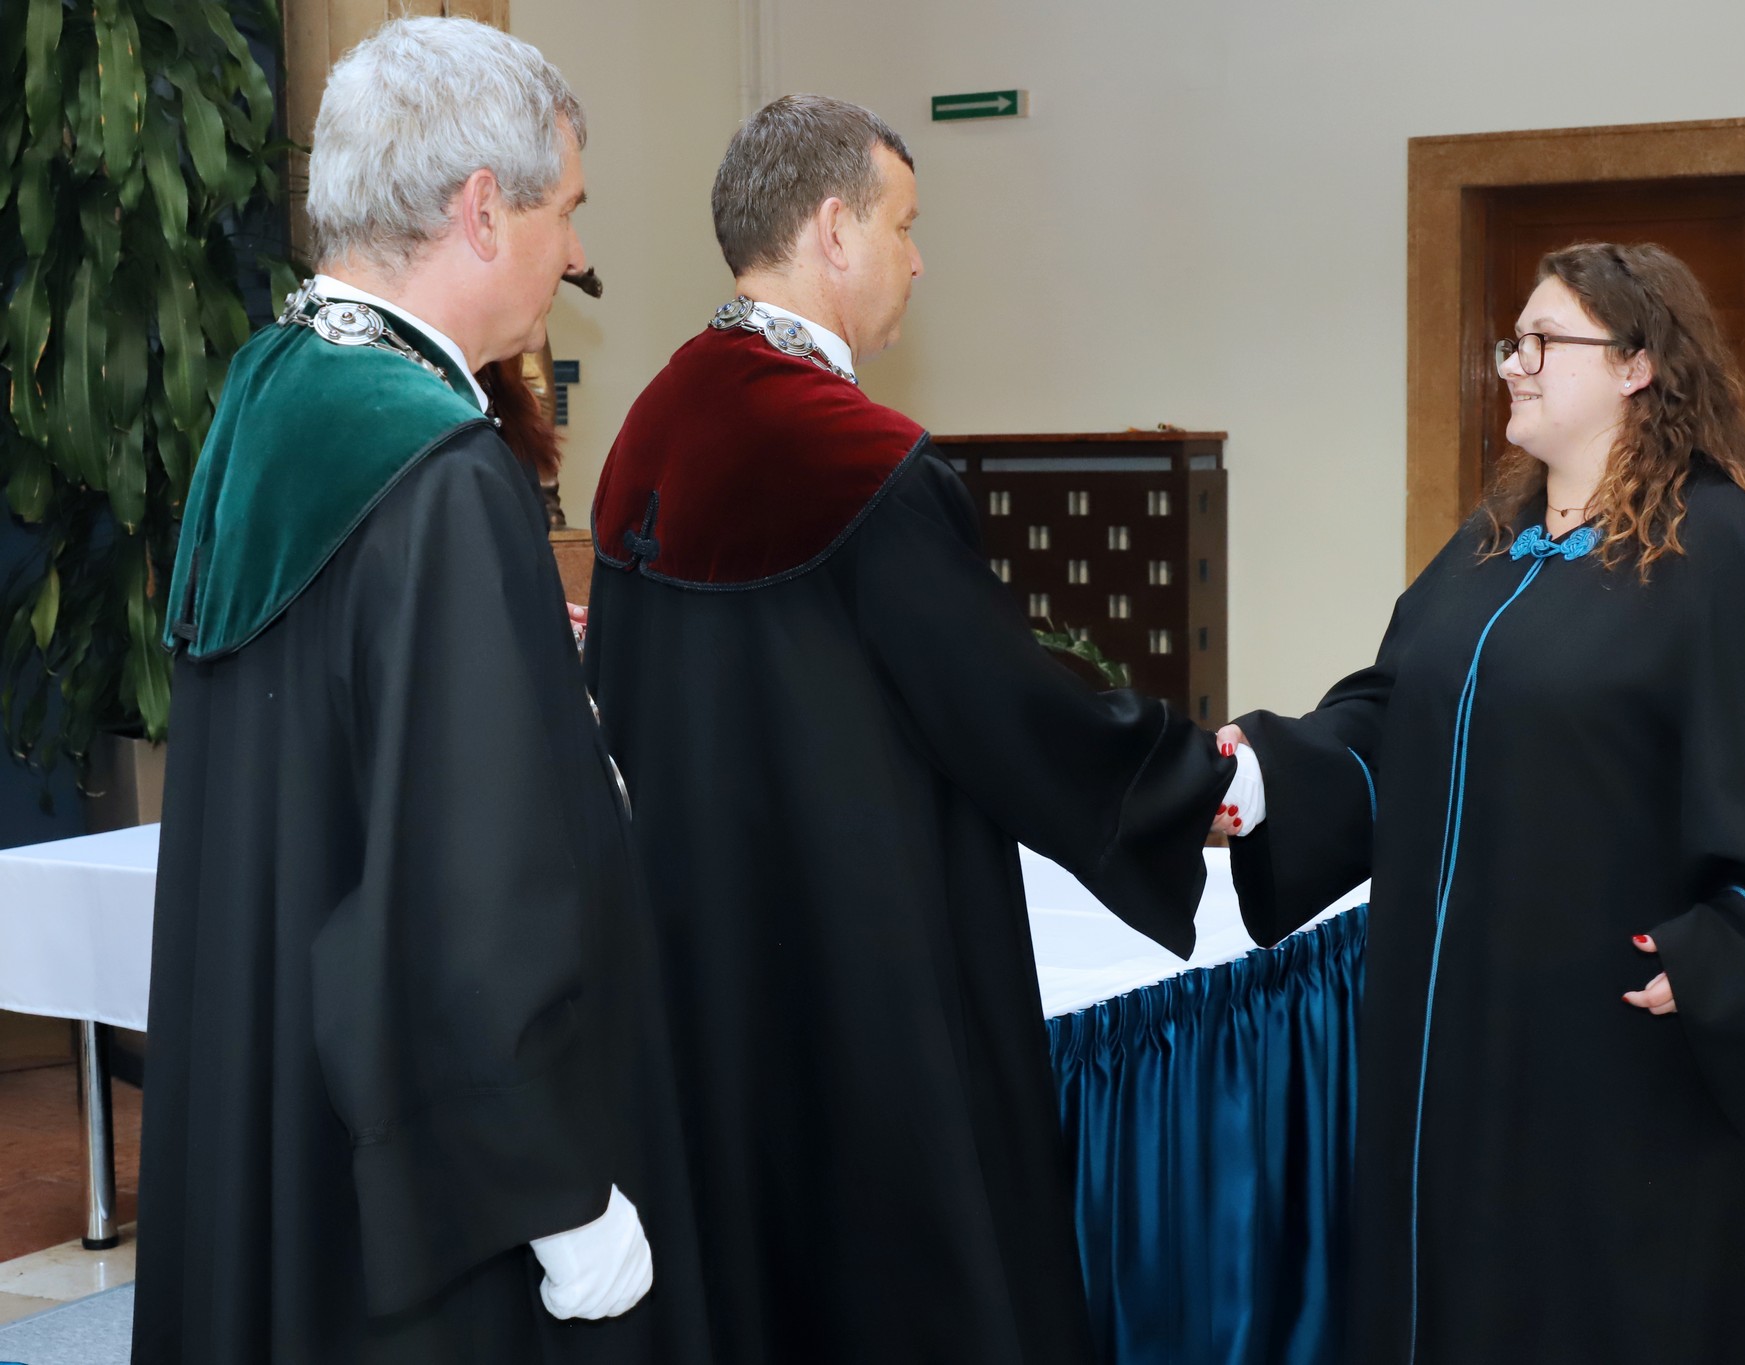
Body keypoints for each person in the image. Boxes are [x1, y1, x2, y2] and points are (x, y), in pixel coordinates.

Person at [581, 94, 1252, 1363]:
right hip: (860, 980)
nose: (917, 259)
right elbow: (1004, 712)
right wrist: (1188, 779)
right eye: (904, 225)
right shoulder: (853, 457)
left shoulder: (649, 428)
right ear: (834, 230)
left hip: (703, 977)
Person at [133, 19, 711, 1363]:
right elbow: (471, 884)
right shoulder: (438, 472)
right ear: (481, 209)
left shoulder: (271, 389)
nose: (575, 251)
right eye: (566, 211)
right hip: (435, 1191)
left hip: (296, 1102)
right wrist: (559, 1196)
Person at [1218, 243, 1745, 1363]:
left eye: (1541, 341)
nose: (1510, 364)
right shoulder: (1487, 543)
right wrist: (1263, 774)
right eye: (1509, 341)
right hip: (1450, 1029)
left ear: (1636, 365)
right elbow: (1391, 714)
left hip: (1607, 1042)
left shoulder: (1725, 548)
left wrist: (1723, 956)